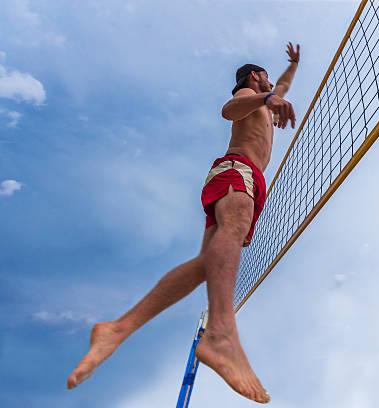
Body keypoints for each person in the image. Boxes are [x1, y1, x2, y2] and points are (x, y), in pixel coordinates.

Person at [67, 42, 302, 404]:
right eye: (266, 77)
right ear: (255, 76)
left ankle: (117, 329)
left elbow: (281, 88)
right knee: (233, 228)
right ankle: (222, 334)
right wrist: (265, 98)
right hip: (237, 169)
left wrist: (293, 66)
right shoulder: (249, 93)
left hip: (247, 176)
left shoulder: (270, 95)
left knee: (205, 264)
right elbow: (229, 110)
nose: (272, 85)